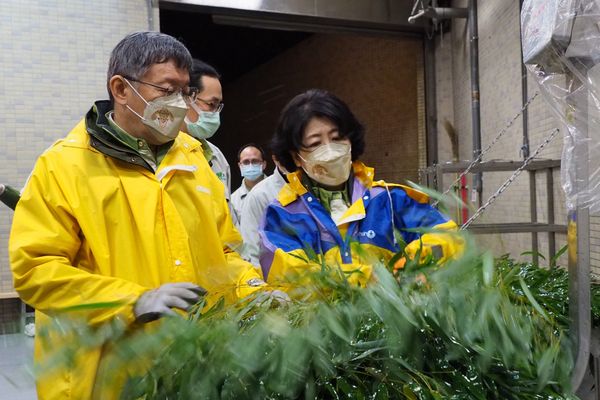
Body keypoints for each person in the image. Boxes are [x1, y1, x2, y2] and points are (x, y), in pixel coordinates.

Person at [9, 31, 266, 399]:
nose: (180, 103)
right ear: (121, 88)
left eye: (185, 91)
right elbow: (37, 270)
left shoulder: (195, 160)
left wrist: (251, 287)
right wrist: (131, 301)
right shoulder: (63, 166)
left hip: (198, 367)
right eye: (166, 89)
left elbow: (225, 250)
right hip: (108, 376)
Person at [259, 89, 463, 288]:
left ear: (350, 140)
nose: (330, 149)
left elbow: (447, 236)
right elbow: (292, 279)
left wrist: (410, 266)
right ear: (296, 157)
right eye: (315, 143)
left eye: (337, 138)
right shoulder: (282, 216)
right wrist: (367, 280)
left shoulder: (390, 200)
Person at [181, 59, 231, 199]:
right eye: (211, 104)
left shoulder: (217, 157)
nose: (215, 113)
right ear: (187, 98)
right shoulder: (164, 154)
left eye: (218, 106)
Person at [239, 156, 287, 266]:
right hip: (277, 276)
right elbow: (252, 250)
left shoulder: (314, 185)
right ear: (275, 158)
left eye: (254, 161)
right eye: (246, 162)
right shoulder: (259, 195)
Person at [230, 143, 267, 227]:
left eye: (255, 161)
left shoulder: (277, 190)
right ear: (240, 166)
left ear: (264, 164)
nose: (250, 165)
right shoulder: (233, 201)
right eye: (246, 162)